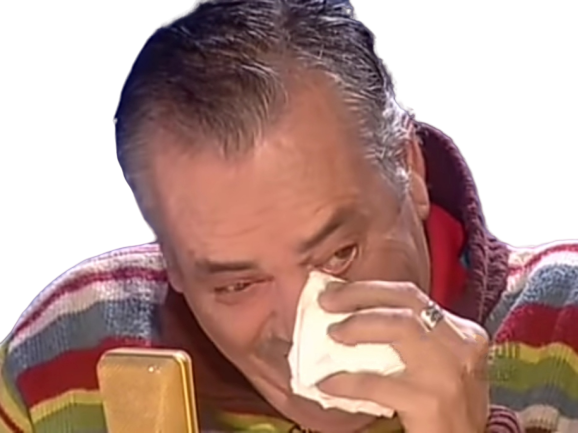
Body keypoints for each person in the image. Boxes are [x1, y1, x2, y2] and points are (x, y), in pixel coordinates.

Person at [1, 1, 576, 432]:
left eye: (339, 254)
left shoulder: (567, 327)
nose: (302, 330)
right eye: (237, 285)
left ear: (410, 167)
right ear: (170, 260)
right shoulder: (62, 356)